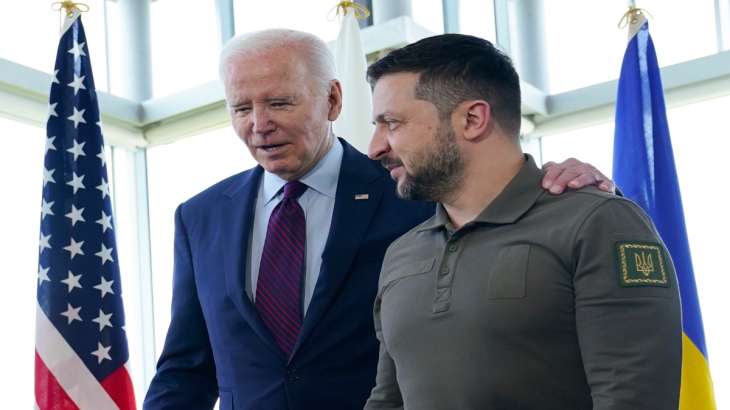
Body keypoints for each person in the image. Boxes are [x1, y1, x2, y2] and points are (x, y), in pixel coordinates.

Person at [143, 29, 615, 410]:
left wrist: (567, 183)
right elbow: (188, 366)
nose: (259, 124)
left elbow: (500, 195)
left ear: (332, 100)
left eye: (280, 103)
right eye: (241, 108)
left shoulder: (413, 189)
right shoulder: (200, 216)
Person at [364, 34, 682, 410]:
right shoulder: (401, 253)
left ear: (472, 119)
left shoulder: (597, 223)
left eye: (392, 124)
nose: (375, 147)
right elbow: (388, 400)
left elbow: (634, 400)